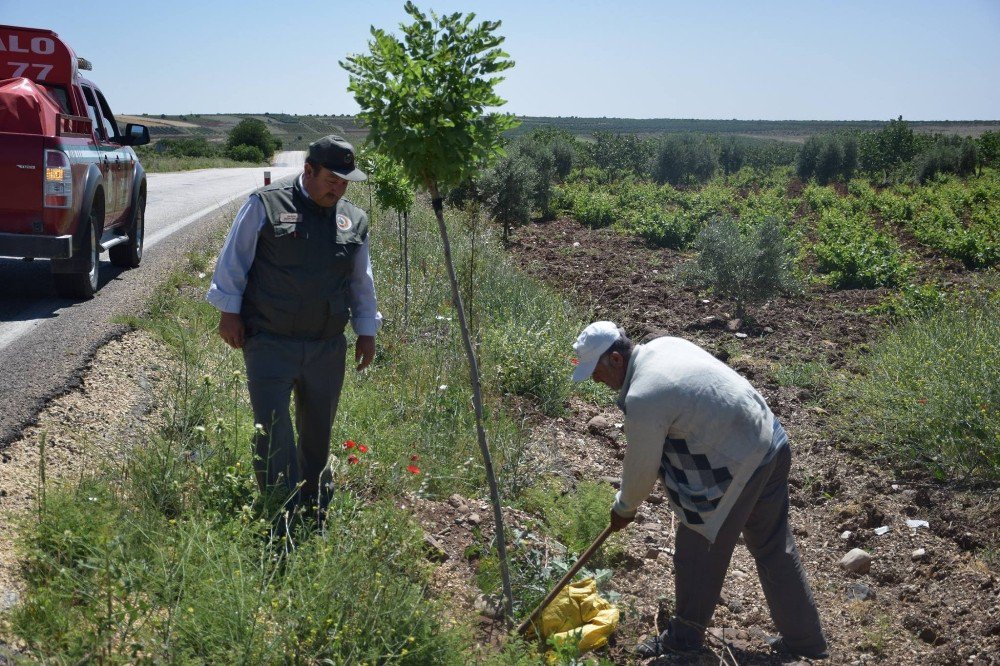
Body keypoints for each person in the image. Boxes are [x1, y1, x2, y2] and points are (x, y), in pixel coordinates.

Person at [570, 321, 828, 660]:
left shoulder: (644, 395)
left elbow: (641, 469)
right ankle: (806, 641)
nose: (596, 380)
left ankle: (684, 640)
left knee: (695, 548)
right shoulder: (664, 345)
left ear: (616, 359)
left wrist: (624, 509)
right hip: (771, 439)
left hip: (743, 458)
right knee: (772, 546)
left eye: (597, 371)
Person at [206, 135, 382, 516]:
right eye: (332, 178)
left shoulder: (353, 219)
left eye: (345, 181)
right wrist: (228, 312)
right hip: (270, 339)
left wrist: (366, 330)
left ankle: (312, 497)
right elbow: (235, 258)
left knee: (318, 431)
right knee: (272, 430)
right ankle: (279, 506)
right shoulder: (266, 204)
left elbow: (360, 280)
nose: (339, 188)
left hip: (326, 345)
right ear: (308, 170)